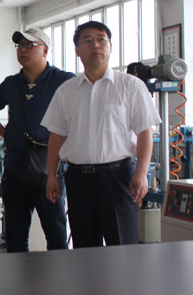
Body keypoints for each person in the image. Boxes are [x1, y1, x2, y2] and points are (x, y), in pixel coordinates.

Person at [42, 21, 161, 248]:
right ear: (77, 50)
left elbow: (144, 132)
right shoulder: (66, 92)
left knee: (122, 246)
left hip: (118, 178)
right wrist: (51, 175)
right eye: (87, 41)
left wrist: (141, 173)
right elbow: (56, 136)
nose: (95, 45)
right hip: (78, 179)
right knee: (85, 248)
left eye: (101, 40)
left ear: (110, 46)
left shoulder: (131, 86)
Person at [0, 28, 74, 253]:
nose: (23, 50)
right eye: (20, 46)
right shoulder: (11, 84)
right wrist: (5, 133)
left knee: (56, 234)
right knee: (15, 238)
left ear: (45, 50)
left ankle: (59, 273)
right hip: (15, 171)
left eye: (29, 45)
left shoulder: (63, 81)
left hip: (49, 172)